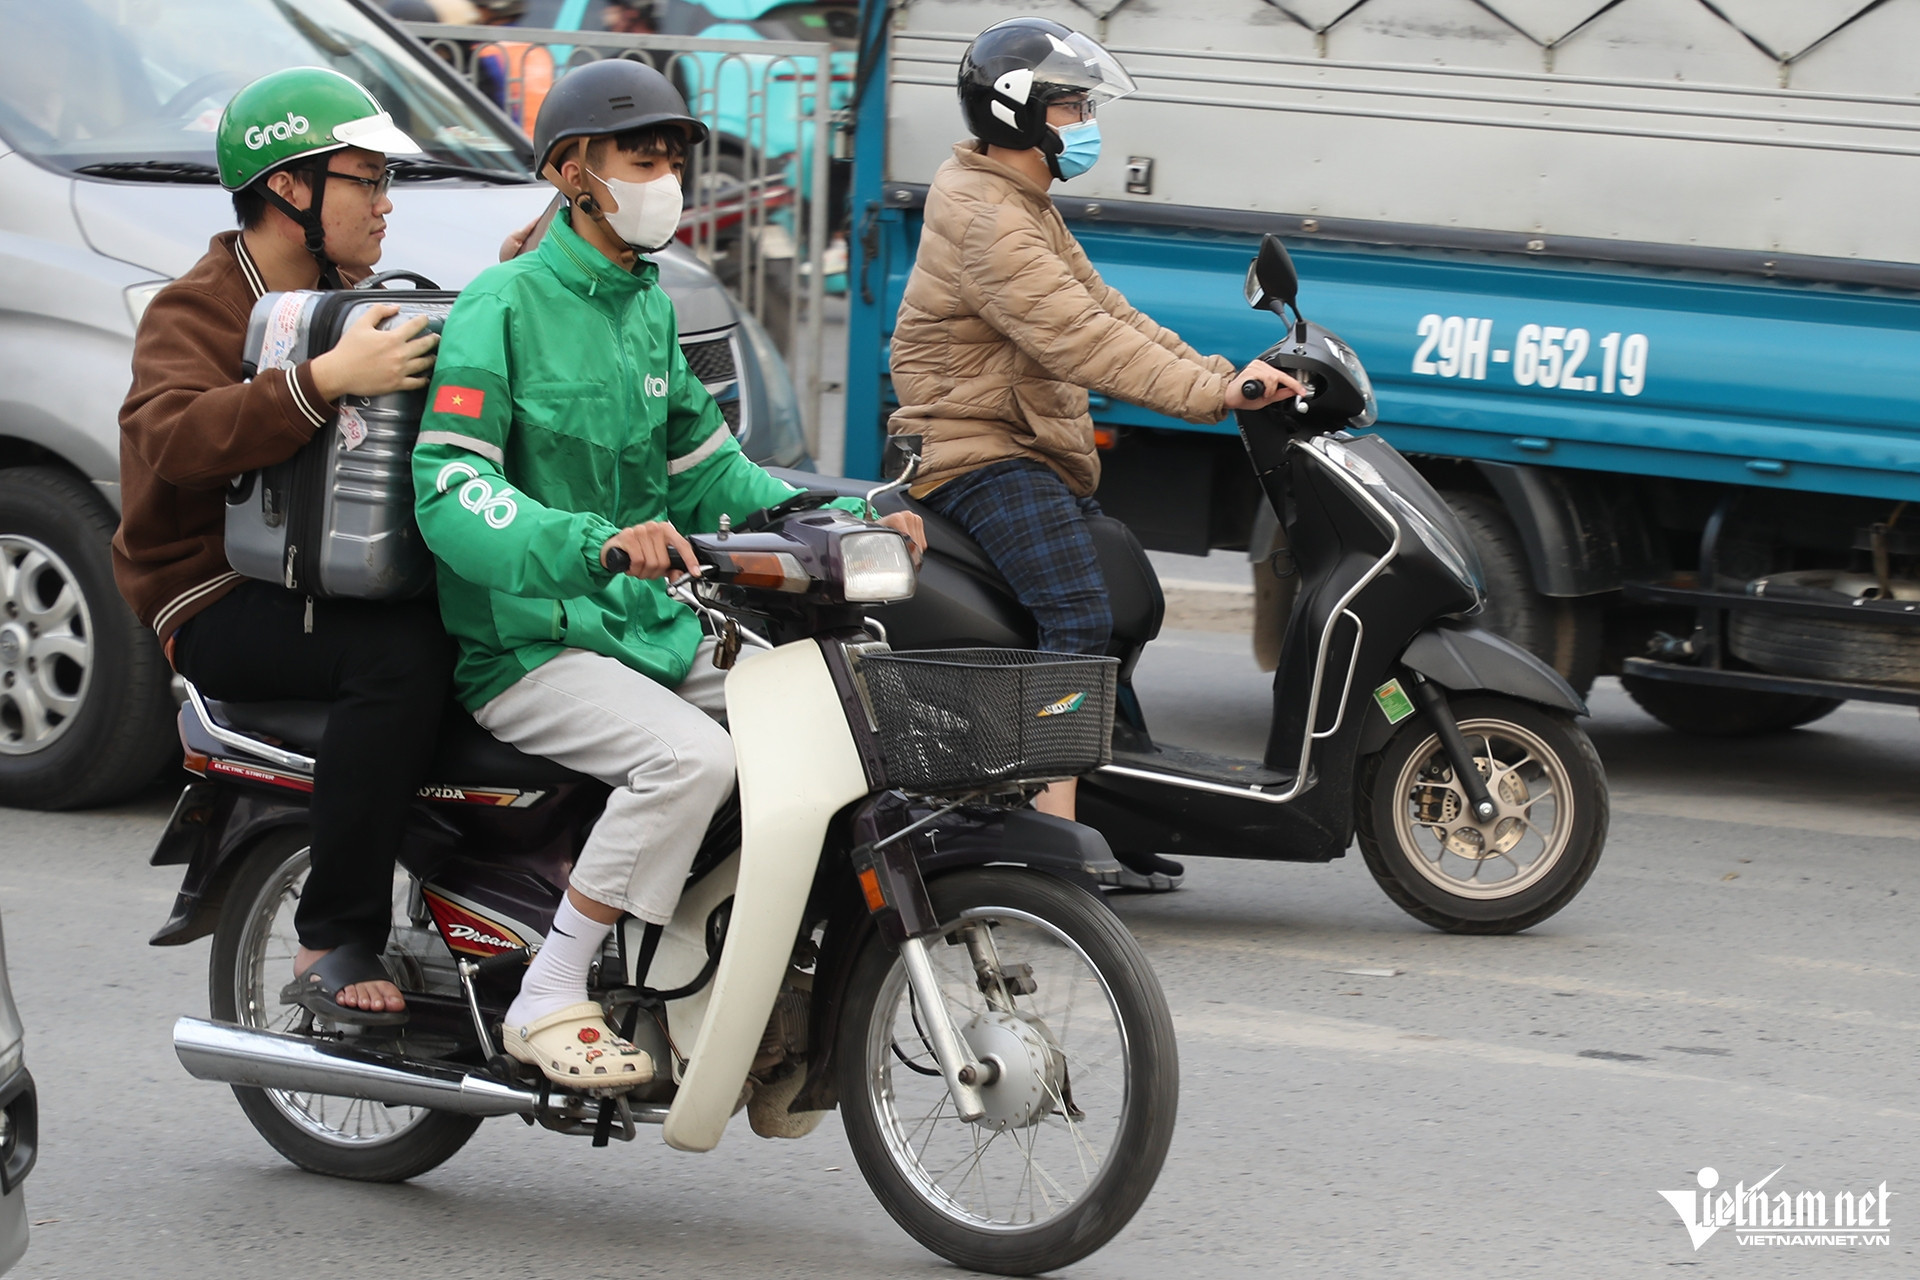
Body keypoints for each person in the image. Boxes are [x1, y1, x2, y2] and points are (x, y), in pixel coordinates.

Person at [411, 59, 923, 1089]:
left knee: (821, 735)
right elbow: (448, 487)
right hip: (530, 640)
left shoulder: (647, 307)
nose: (666, 180)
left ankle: (721, 977)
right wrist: (594, 541)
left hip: (644, 625)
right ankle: (552, 987)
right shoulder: (500, 305)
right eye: (642, 158)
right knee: (689, 760)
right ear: (572, 173)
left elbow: (715, 472)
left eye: (674, 161)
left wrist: (852, 510)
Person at [885, 16, 1304, 889]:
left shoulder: (1017, 205)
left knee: (1108, 606)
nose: (1085, 121)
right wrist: (1209, 396)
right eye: (1072, 105)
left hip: (1019, 443)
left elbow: (1111, 312)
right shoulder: (988, 221)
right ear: (1019, 115)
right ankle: (1048, 847)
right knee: (1076, 618)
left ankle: (1115, 812)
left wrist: (1226, 376)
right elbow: (1077, 339)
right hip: (975, 448)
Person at [115, 69, 450, 1023]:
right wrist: (321, 382)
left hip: (330, 571)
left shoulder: (350, 294)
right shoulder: (201, 307)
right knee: (398, 657)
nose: (385, 205)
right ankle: (332, 934)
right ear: (291, 187)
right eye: (366, 181)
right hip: (213, 595)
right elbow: (169, 436)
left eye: (388, 184)